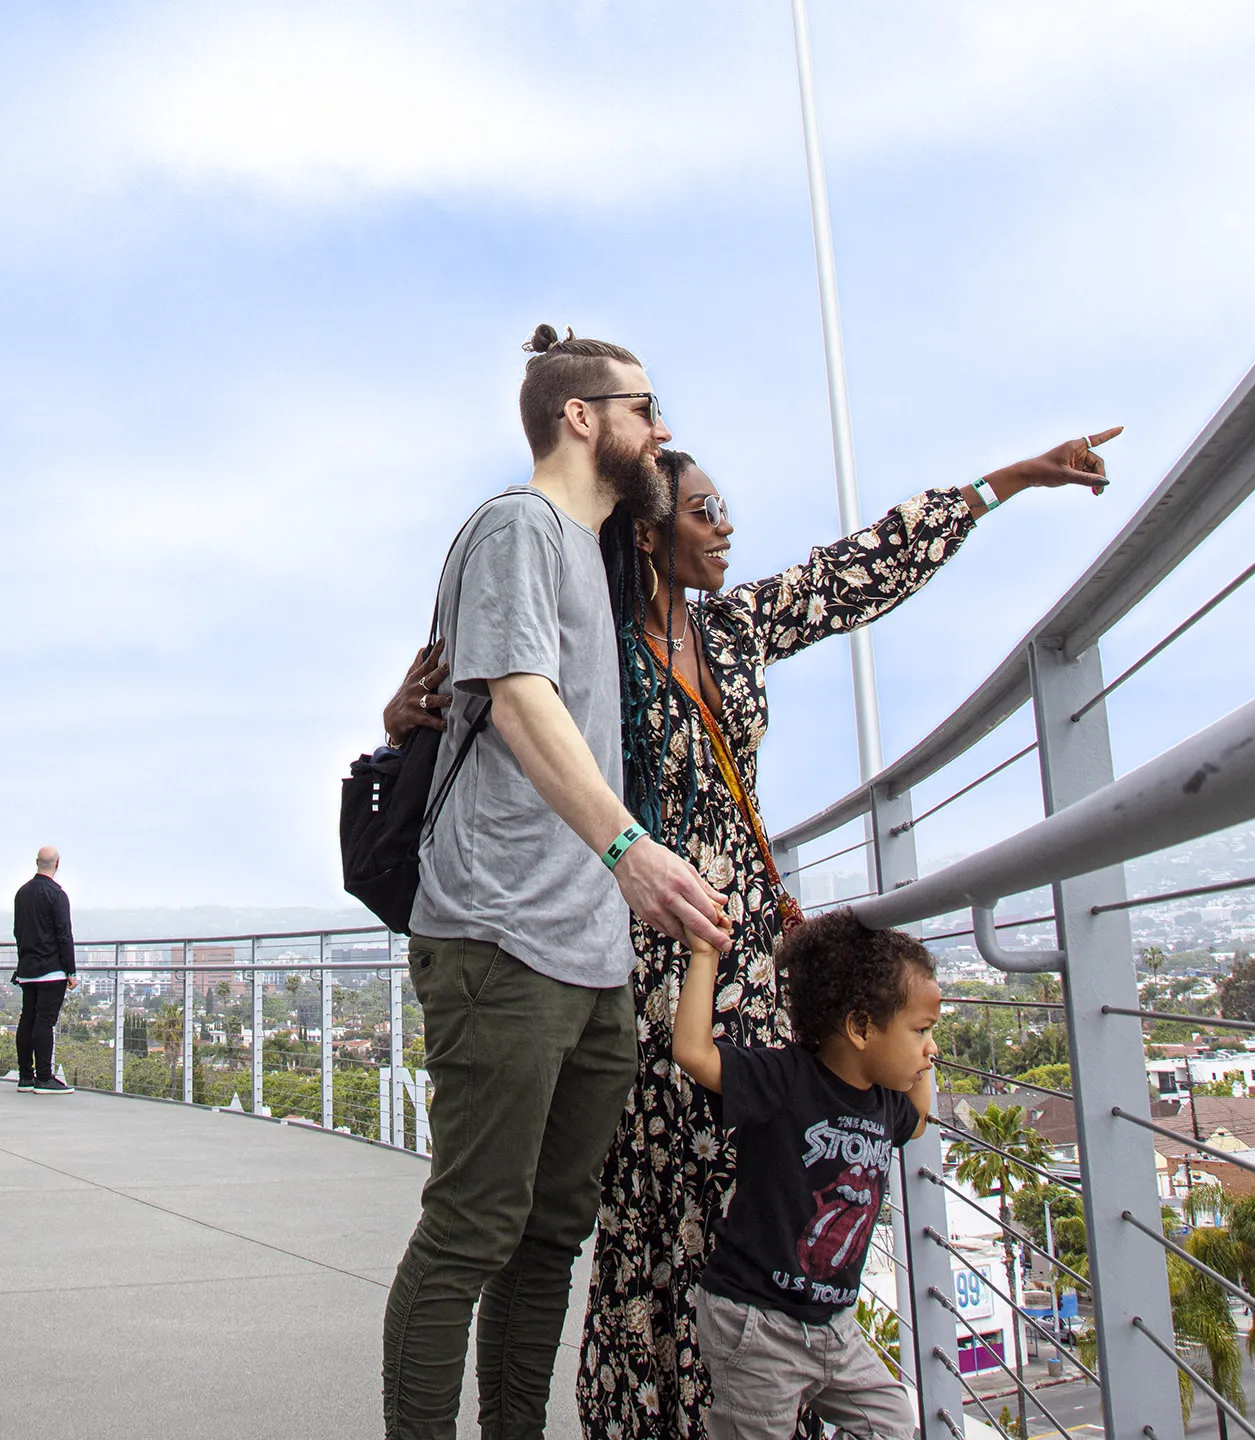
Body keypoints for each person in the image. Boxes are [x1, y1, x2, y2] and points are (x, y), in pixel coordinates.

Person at [384, 427, 1117, 1439]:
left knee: (753, 1198)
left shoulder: (735, 628)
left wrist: (1008, 482)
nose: (726, 528)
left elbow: (856, 571)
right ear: (647, 533)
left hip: (750, 958)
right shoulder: (589, 636)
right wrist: (401, 720)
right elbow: (492, 709)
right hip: (636, 957)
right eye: (704, 512)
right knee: (651, 1204)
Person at [381, 324, 732, 1440]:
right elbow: (521, 698)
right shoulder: (517, 528)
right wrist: (631, 852)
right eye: (644, 407)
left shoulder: (592, 551)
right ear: (581, 418)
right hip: (500, 935)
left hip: (590, 955)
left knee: (548, 1239)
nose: (661, 428)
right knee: (471, 1231)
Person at [670, 911, 939, 1440]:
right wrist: (704, 955)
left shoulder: (886, 1102)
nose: (932, 1047)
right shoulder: (783, 1077)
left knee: (891, 1423)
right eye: (921, 1031)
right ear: (860, 1027)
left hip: (833, 1326)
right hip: (758, 1322)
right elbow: (694, 1053)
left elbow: (921, 1118)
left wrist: (921, 1051)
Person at [12, 846, 77, 1094]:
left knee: (27, 1019)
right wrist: (71, 971)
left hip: (27, 968)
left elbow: (18, 931)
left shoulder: (22, 893)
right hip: (51, 970)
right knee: (44, 1022)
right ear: (57, 864)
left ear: (36, 862)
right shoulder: (57, 895)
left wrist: (23, 960)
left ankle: (25, 1077)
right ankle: (44, 1078)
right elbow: (64, 934)